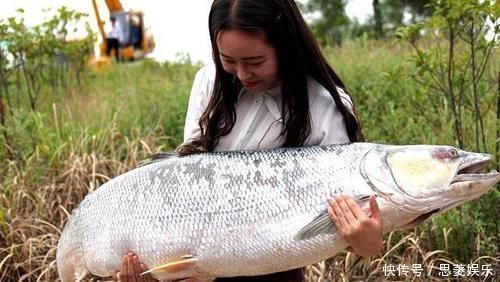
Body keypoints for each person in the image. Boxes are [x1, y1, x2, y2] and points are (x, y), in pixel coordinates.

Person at [114, 0, 383, 281]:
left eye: (255, 62)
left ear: (286, 47)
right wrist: (162, 269)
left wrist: (367, 241)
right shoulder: (210, 82)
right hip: (203, 253)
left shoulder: (325, 104)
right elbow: (191, 180)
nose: (242, 74)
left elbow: (341, 216)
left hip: (275, 268)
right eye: (228, 60)